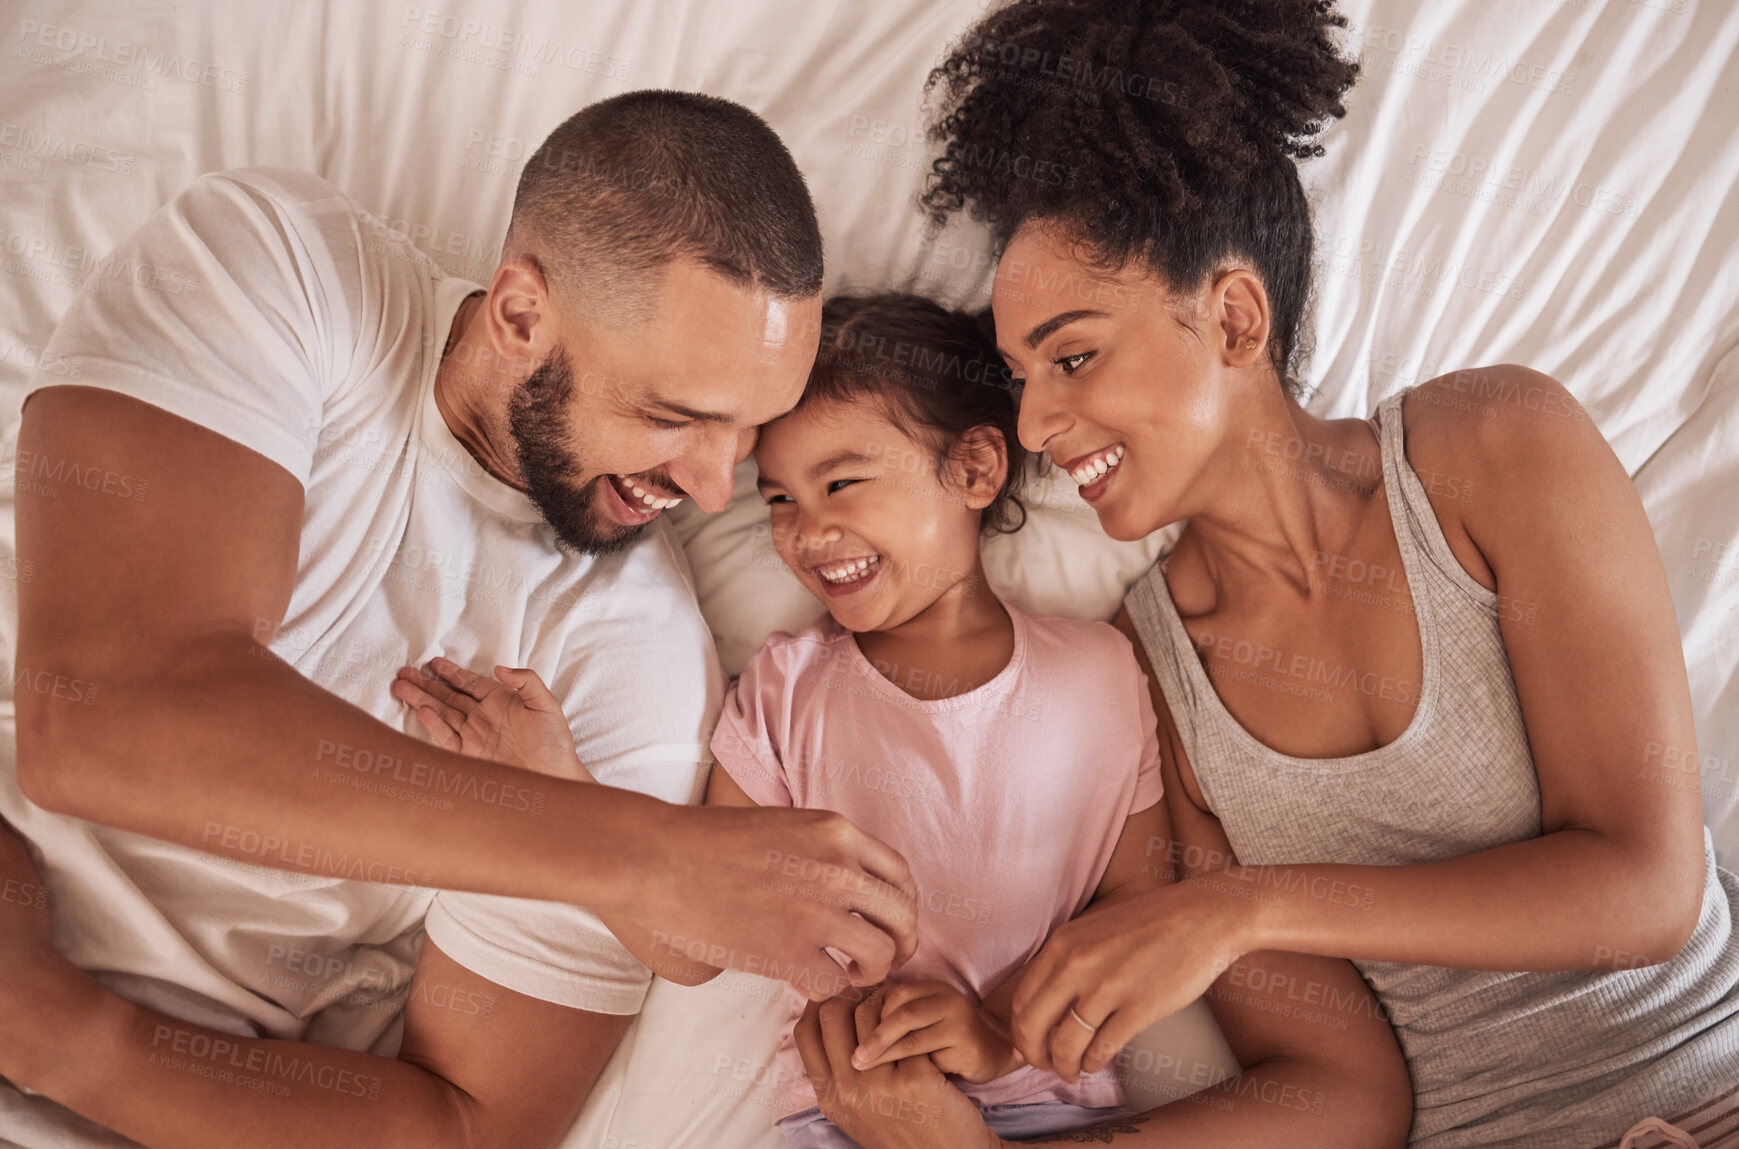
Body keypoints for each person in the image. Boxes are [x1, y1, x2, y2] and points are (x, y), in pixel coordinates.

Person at [879, 0, 1739, 1146]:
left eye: (1073, 356)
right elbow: (1341, 1098)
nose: (1035, 424)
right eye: (1021, 375)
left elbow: (1642, 891)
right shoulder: (1153, 678)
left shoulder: (1492, 449)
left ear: (1234, 316)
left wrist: (1238, 907)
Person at [0, 90, 915, 1148]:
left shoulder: (639, 661)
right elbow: (104, 720)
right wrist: (643, 857)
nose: (716, 489)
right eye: (672, 418)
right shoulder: (276, 267)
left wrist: (68, 1042)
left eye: (748, 429)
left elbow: (466, 1131)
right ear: (520, 313)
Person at [680, 294, 1411, 1146]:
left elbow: (1132, 900)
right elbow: (701, 906)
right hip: (839, 1111)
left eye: (841, 481)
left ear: (975, 470)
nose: (807, 530)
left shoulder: (1100, 675)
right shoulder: (786, 683)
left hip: (1047, 1111)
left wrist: (997, 1028)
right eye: (775, 500)